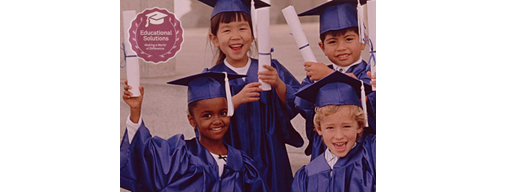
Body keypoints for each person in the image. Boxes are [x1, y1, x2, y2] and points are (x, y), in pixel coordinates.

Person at [197, 0, 304, 191]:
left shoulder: (270, 68)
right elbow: (203, 121)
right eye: (227, 30)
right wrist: (234, 102)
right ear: (214, 39)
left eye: (242, 28)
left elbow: (299, 103)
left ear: (253, 34)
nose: (235, 36)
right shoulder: (212, 78)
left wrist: (278, 84)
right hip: (232, 158)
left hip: (272, 157)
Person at [120, 70, 269, 192]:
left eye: (223, 113)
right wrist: (135, 110)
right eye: (207, 115)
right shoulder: (178, 155)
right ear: (192, 120)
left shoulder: (243, 164)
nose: (217, 120)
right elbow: (143, 155)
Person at [295, 0, 376, 160]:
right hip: (325, 149)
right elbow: (301, 104)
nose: (341, 47)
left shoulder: (371, 74)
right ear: (322, 47)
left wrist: (328, 76)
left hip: (362, 151)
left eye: (349, 39)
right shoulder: (315, 74)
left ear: (363, 41)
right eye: (332, 42)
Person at [291, 71, 376, 192]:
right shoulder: (307, 175)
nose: (339, 136)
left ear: (360, 126)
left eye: (346, 126)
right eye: (330, 127)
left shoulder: (372, 156)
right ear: (319, 129)